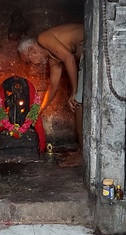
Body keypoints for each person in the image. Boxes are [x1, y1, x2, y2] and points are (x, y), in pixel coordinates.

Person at [18, 23, 84, 167]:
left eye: (29, 61)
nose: (32, 65)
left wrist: (74, 91)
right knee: (78, 105)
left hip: (91, 48)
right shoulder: (53, 58)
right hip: (86, 56)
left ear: (31, 50)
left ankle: (82, 155)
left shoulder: (43, 38)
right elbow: (53, 88)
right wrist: (38, 111)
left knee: (77, 104)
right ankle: (81, 151)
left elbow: (69, 58)